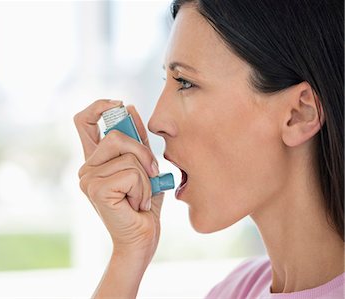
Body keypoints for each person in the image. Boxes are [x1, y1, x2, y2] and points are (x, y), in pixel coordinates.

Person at [73, 0, 344, 298]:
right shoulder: (236, 289)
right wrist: (128, 254)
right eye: (168, 80)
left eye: (186, 83)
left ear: (299, 113)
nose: (156, 122)